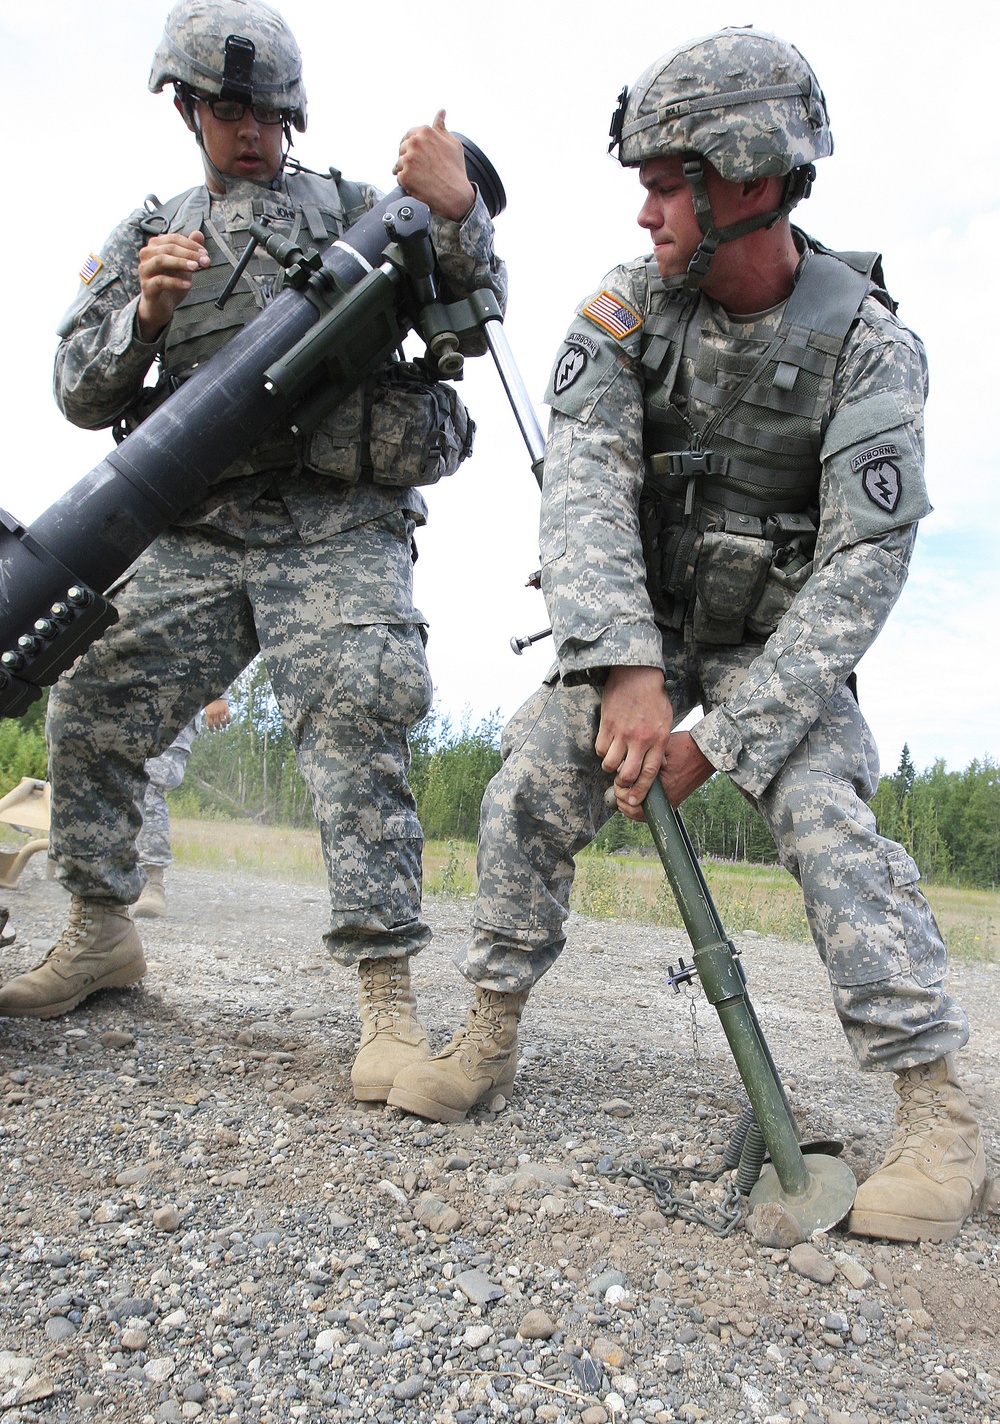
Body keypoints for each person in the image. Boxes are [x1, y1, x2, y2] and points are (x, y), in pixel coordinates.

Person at [389, 28, 987, 1243]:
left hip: (778, 660)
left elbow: (864, 569)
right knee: (522, 785)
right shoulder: (622, 313)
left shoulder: (869, 346)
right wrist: (626, 675)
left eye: (671, 182)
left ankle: (937, 1117)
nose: (649, 210)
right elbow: (585, 494)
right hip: (639, 644)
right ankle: (487, 1031)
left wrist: (732, 733)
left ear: (751, 180)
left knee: (834, 830)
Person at [0, 0, 506, 1110]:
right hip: (198, 523)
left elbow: (474, 311)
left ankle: (385, 999)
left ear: (294, 114)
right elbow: (79, 392)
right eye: (226, 108)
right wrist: (143, 311)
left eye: (268, 112)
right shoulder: (153, 231)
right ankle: (99, 931)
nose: (250, 130)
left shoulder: (355, 212)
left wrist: (459, 208)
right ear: (186, 109)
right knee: (91, 703)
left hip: (333, 518)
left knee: (355, 704)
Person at [133, 694, 232, 918]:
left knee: (150, 779)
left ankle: (152, 882)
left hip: (175, 695)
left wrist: (216, 693)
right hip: (122, 689)